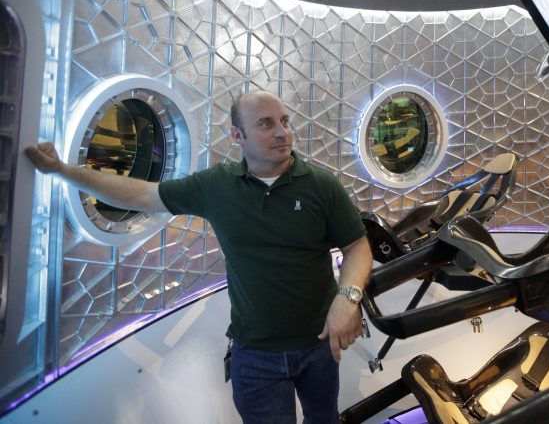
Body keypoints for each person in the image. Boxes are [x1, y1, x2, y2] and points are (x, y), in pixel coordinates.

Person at [25, 91, 373, 424]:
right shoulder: (216, 187)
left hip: (320, 346)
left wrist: (349, 297)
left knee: (323, 418)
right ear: (238, 135)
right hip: (255, 355)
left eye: (285, 121)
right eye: (266, 124)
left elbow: (357, 246)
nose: (283, 132)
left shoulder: (321, 186)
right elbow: (142, 195)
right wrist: (63, 170)